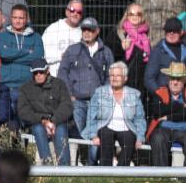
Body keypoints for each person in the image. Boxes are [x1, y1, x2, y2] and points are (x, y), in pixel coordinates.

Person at [58, 17, 113, 165]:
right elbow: (62, 72)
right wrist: (69, 94)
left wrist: (104, 94)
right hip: (77, 101)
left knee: (94, 134)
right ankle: (76, 165)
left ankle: (91, 166)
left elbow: (111, 75)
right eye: (84, 30)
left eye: (90, 30)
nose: (87, 33)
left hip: (97, 101)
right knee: (78, 134)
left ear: (97, 31)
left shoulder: (105, 52)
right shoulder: (73, 50)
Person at [83, 61, 146, 167]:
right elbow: (91, 116)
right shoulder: (100, 92)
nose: (114, 78)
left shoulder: (134, 94)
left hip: (126, 127)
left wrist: (140, 137)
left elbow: (139, 119)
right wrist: (93, 135)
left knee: (130, 139)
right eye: (112, 75)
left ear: (125, 78)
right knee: (105, 135)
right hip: (105, 126)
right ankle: (105, 172)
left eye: (118, 75)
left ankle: (121, 173)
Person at [17, 57, 71, 165]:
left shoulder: (59, 84)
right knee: (38, 129)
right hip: (37, 122)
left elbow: (67, 106)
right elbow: (23, 111)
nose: (38, 75)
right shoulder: (25, 89)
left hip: (58, 121)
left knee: (60, 131)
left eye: (41, 72)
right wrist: (42, 120)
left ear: (47, 71)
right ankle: (47, 164)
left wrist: (53, 121)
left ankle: (65, 169)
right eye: (35, 73)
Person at [0, 4, 43, 121]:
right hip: (8, 86)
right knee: (10, 122)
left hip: (29, 87)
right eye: (15, 17)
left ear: (26, 19)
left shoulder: (36, 37)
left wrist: (13, 55)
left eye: (21, 18)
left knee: (27, 122)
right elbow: (4, 55)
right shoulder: (1, 36)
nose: (18, 21)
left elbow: (37, 57)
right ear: (11, 18)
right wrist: (26, 51)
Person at [147, 62, 186, 167]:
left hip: (184, 130)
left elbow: (163, 111)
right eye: (173, 78)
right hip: (163, 129)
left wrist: (168, 116)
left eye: (178, 79)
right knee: (158, 138)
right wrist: (180, 107)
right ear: (168, 79)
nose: (175, 82)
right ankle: (161, 176)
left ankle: (184, 177)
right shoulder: (160, 92)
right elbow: (157, 111)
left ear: (184, 80)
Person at [110, 4, 150, 98]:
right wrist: (121, 48)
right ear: (127, 16)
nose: (135, 16)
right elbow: (109, 56)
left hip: (140, 84)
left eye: (138, 14)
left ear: (142, 16)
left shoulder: (146, 35)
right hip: (122, 83)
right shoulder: (119, 33)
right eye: (131, 14)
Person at [41, 0, 82, 77]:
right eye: (72, 10)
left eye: (79, 12)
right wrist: (61, 56)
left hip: (77, 80)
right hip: (55, 79)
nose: (76, 13)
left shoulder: (83, 33)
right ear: (66, 12)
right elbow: (43, 54)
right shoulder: (53, 29)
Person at [145, 18, 185, 95]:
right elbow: (149, 78)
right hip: (164, 97)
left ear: (181, 32)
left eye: (175, 31)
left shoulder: (185, 49)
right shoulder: (158, 51)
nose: (171, 33)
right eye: (168, 30)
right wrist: (158, 91)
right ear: (165, 32)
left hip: (183, 97)